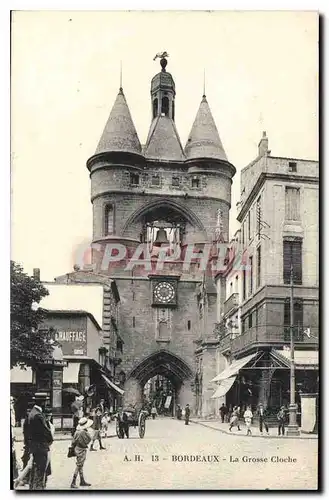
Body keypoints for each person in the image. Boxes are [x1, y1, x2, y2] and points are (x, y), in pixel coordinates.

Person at [28, 393, 53, 490]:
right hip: (41, 447)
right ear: (42, 402)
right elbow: (46, 431)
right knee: (40, 473)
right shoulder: (39, 415)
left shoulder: (32, 413)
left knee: (35, 471)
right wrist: (50, 440)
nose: (46, 403)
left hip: (34, 446)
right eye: (45, 401)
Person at [70, 416, 93, 489]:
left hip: (77, 448)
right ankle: (73, 482)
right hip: (82, 449)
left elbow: (73, 441)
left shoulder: (77, 432)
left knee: (80, 465)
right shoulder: (84, 432)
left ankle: (82, 480)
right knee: (79, 465)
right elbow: (89, 439)